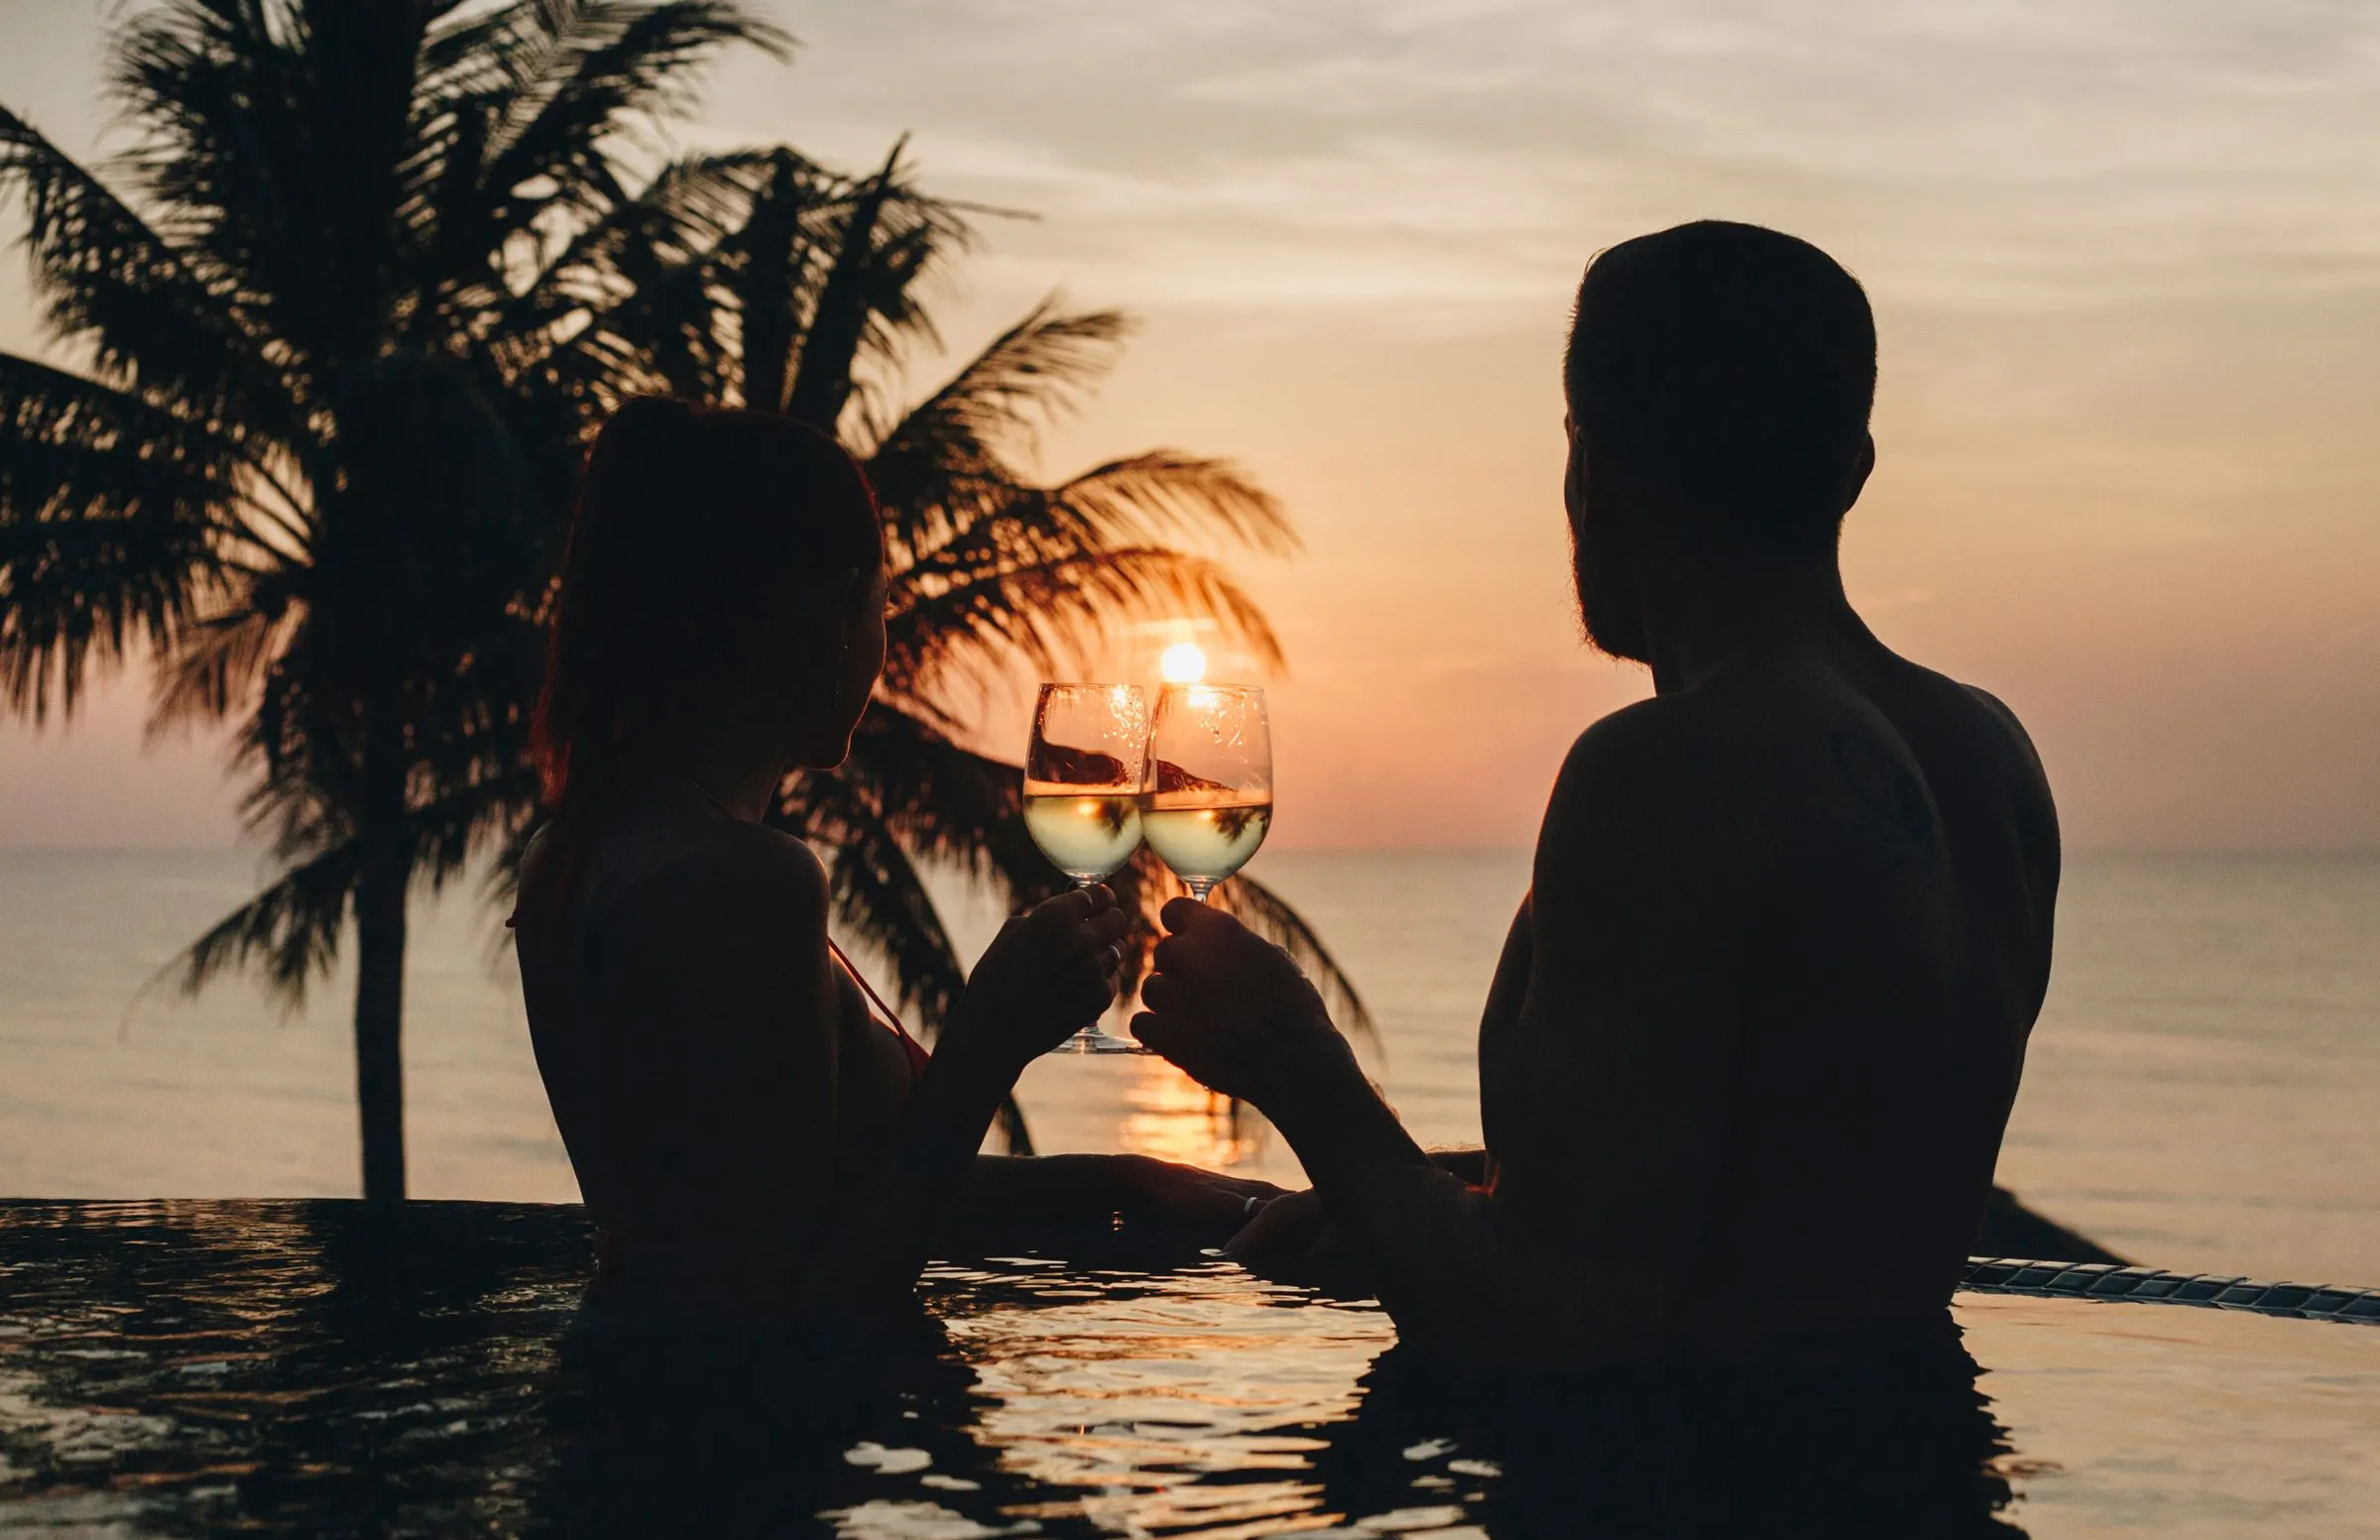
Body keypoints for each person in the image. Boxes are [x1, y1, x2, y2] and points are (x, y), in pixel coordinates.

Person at [1133, 221, 2060, 1367]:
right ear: (1854, 469)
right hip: (1926, 1497)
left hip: (1688, 1520)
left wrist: (1294, 1062)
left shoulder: (1666, 771)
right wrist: (1421, 1190)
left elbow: (1549, 1333)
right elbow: (1767, 1196)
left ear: (1594, 465)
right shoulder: (1994, 761)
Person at [514, 399, 1278, 1322]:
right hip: (741, 1452)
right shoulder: (740, 881)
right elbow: (808, 1305)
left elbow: (801, 1201)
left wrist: (1127, 1181)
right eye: (881, 605)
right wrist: (988, 1041)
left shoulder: (578, 850)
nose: (883, 644)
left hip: (630, 1406)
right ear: (830, 617)